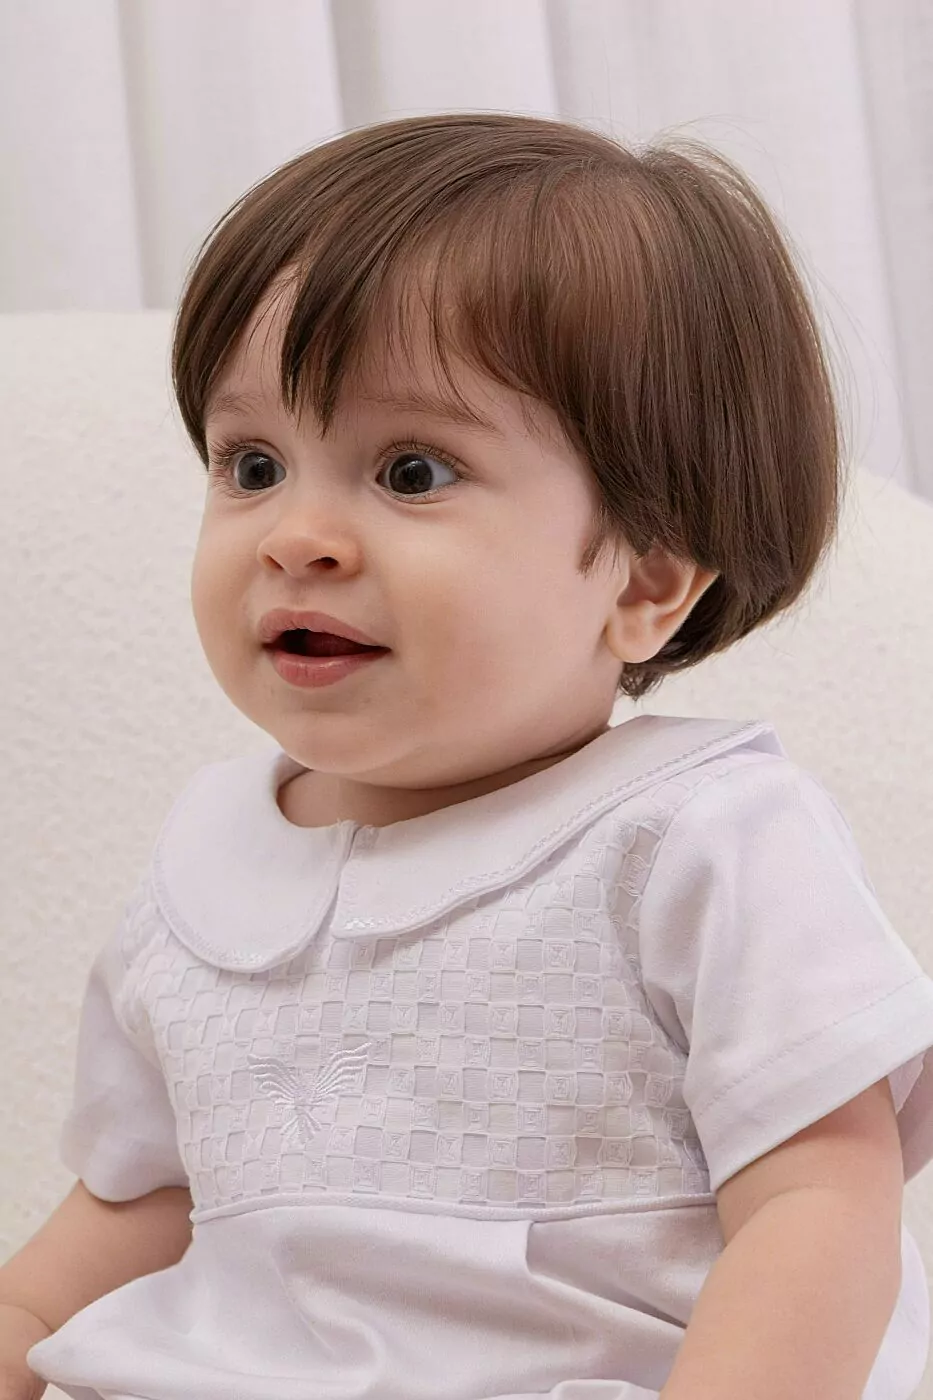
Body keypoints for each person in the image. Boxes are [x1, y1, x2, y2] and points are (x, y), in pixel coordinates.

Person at [2, 111, 932, 1400]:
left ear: (646, 582)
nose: (296, 536)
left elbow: (819, 1205)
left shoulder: (697, 841)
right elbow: (140, 1203)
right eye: (254, 464)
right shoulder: (199, 877)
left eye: (412, 471)